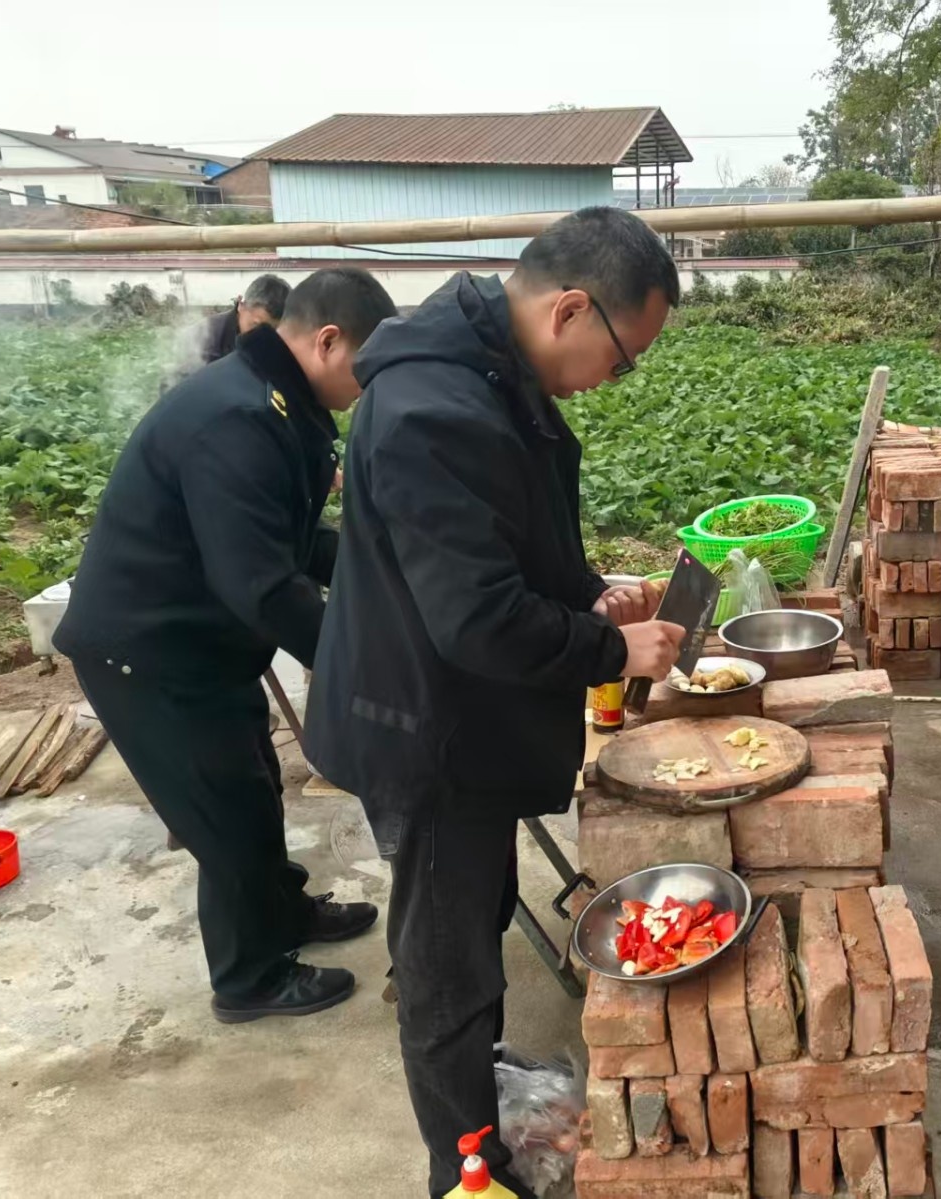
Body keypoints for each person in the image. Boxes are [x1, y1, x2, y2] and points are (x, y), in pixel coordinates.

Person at [304, 207, 686, 1198]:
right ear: (571, 310)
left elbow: (504, 541)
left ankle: (475, 1099)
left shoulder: (488, 373)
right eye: (624, 359)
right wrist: (611, 647)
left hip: (459, 714)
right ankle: (464, 1168)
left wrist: (586, 595)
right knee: (447, 966)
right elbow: (475, 617)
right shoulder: (434, 406)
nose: (614, 379)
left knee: (469, 926)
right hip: (424, 733)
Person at [54, 266, 400, 1024]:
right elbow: (263, 586)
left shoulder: (275, 404)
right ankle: (249, 978)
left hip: (202, 641)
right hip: (150, 652)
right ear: (327, 341)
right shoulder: (238, 420)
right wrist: (363, 664)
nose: (369, 384)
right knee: (225, 812)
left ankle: (283, 912)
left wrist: (386, 566)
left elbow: (291, 538)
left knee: (252, 783)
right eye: (367, 364)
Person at [165, 273, 291, 388]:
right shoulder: (206, 341)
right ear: (241, 305)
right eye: (256, 326)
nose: (264, 337)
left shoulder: (284, 338)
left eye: (273, 330)